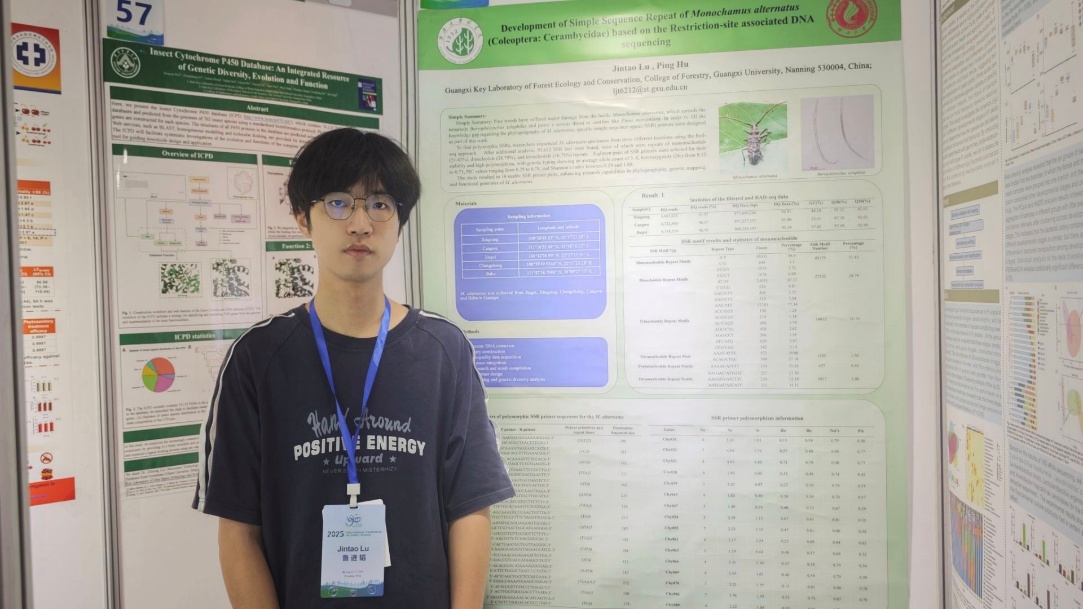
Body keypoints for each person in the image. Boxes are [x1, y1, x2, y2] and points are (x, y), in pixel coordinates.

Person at [192, 128, 514, 608]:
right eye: (339, 203)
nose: (361, 224)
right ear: (303, 218)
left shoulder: (443, 351)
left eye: (380, 204)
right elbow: (238, 530)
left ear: (399, 221)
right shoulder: (257, 357)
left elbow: (470, 508)